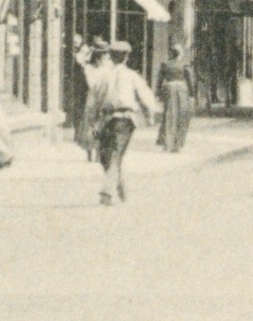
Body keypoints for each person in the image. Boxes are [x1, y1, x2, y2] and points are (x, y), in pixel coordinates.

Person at [86, 40, 159, 206]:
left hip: (119, 119)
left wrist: (91, 122)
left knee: (112, 155)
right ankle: (121, 190)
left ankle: (107, 192)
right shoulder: (131, 76)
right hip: (116, 119)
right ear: (126, 57)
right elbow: (145, 96)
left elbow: (92, 102)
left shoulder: (103, 76)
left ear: (111, 57)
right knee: (108, 157)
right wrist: (150, 114)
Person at [73, 36, 110, 161]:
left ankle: (99, 152)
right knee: (91, 124)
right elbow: (91, 83)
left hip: (104, 97)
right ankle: (89, 152)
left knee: (102, 124)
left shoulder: (107, 67)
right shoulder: (89, 68)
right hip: (94, 98)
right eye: (104, 56)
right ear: (98, 57)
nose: (107, 58)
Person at [154, 45, 195, 154]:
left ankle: (167, 143)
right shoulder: (184, 65)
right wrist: (192, 95)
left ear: (171, 53)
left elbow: (160, 80)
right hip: (181, 90)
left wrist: (158, 93)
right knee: (181, 115)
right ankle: (177, 144)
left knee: (168, 115)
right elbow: (189, 80)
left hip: (169, 89)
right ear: (180, 53)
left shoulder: (165, 65)